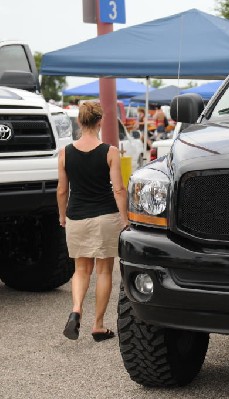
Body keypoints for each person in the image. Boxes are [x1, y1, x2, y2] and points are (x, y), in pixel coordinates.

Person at [57, 101, 129, 341]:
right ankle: (98, 325)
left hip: (76, 215)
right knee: (104, 270)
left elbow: (61, 190)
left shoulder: (65, 153)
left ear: (79, 122)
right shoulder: (110, 152)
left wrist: (61, 215)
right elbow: (118, 189)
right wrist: (125, 219)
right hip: (105, 216)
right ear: (100, 122)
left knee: (81, 269)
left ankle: (76, 309)